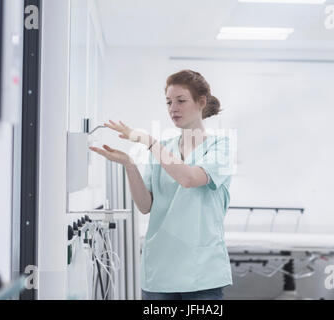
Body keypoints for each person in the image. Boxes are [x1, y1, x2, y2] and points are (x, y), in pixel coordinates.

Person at [89, 69, 234, 300]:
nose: (173, 108)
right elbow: (146, 205)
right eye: (168, 102)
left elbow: (188, 178)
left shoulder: (221, 147)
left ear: (201, 102)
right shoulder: (163, 149)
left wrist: (148, 141)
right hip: (160, 271)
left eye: (180, 100)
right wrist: (129, 165)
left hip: (202, 272)